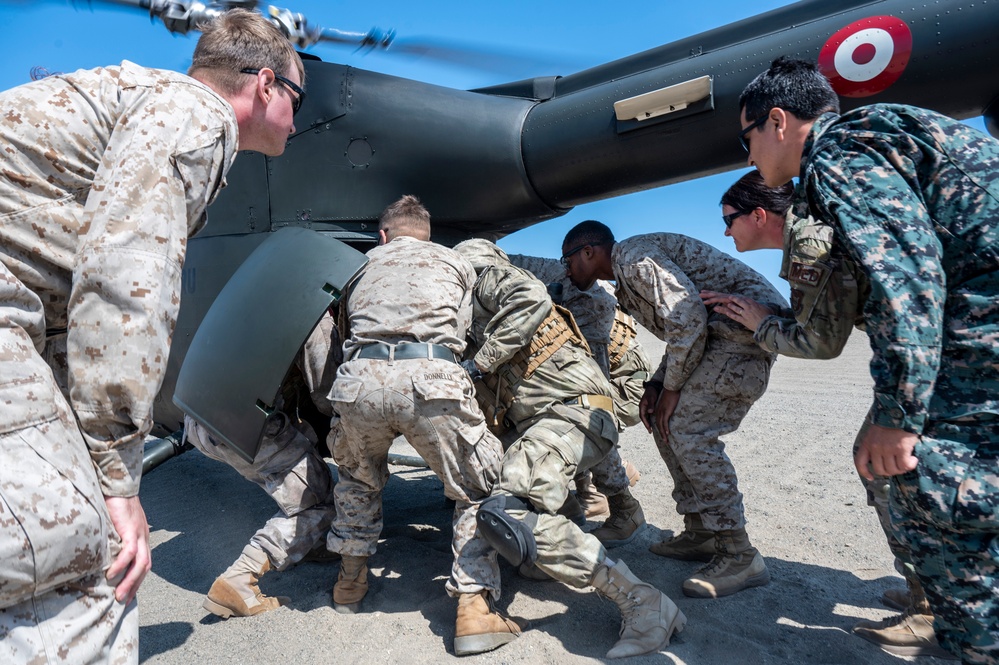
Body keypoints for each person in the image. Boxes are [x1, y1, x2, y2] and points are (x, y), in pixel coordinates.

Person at [0, 9, 302, 662]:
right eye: (296, 98)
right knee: (80, 560)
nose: (298, 121)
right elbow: (124, 280)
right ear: (266, 86)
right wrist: (116, 477)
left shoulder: (140, 99)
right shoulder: (194, 115)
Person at [737, 55, 998, 663]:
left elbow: (909, 276)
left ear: (777, 121)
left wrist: (899, 412)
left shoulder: (841, 156)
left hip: (979, 337)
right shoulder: (879, 135)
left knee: (935, 489)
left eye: (746, 139)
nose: (748, 158)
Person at [702, 171, 954, 659]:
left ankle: (937, 607)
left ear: (759, 215)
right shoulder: (818, 225)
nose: (726, 233)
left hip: (945, 359)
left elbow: (820, 343)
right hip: (937, 353)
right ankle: (933, 589)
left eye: (730, 221)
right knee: (887, 465)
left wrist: (760, 324)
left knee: (889, 468)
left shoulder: (808, 242)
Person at [453, 238, 684, 659]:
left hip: (571, 414)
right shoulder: (476, 311)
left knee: (510, 511)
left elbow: (531, 297)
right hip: (554, 419)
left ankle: (644, 602)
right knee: (502, 499)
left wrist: (476, 364)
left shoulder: (483, 275)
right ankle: (558, 540)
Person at [324, 196, 519, 657]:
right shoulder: (456, 263)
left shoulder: (358, 265)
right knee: (476, 485)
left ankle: (350, 583)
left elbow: (343, 326)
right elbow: (465, 328)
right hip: (432, 378)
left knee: (356, 476)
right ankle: (472, 607)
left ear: (384, 235)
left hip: (359, 382)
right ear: (428, 236)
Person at [561, 221, 785, 599]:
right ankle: (701, 530)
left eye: (567, 260)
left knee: (688, 431)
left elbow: (689, 318)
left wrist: (673, 387)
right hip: (717, 339)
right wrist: (657, 385)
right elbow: (684, 331)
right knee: (661, 419)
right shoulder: (626, 277)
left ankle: (739, 552)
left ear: (588, 252)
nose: (566, 270)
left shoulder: (631, 258)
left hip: (743, 337)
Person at [186, 313, 340, 619]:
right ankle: (240, 580)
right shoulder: (307, 304)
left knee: (299, 466)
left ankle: (307, 544)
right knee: (321, 501)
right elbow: (329, 392)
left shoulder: (246, 291)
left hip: (198, 421)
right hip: (248, 426)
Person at [507, 254, 647, 542]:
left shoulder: (593, 304)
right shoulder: (556, 272)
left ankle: (622, 505)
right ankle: (585, 494)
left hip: (627, 387)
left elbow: (594, 395)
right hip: (598, 373)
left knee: (583, 416)